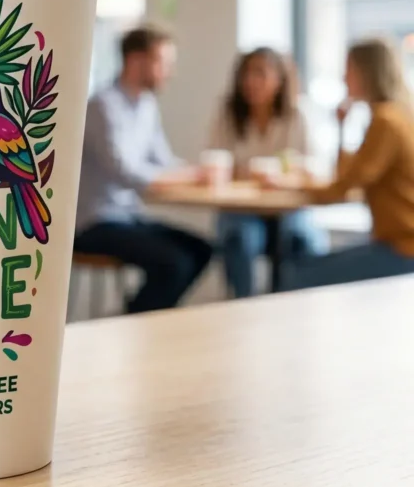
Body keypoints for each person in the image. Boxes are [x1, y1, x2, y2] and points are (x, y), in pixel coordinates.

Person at [75, 25, 213, 313]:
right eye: (164, 63)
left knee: (203, 249)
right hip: (95, 222)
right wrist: (187, 176)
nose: (170, 72)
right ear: (136, 61)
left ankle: (139, 316)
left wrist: (197, 172)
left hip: (128, 216)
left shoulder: (146, 104)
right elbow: (125, 172)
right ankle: (133, 323)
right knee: (173, 263)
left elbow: (161, 161)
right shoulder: (102, 106)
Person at [278, 38, 414, 291]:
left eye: (349, 69)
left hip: (403, 249)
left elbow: (342, 187)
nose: (343, 77)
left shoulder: (386, 122)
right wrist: (342, 128)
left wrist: (295, 186)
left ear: (368, 72)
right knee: (303, 256)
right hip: (397, 244)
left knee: (296, 275)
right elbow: (351, 176)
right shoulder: (399, 114)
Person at [207, 47, 325, 297]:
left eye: (260, 74)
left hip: (288, 210)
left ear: (279, 79)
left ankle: (287, 306)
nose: (251, 81)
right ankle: (242, 307)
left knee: (298, 239)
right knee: (239, 239)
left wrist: (280, 175)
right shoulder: (228, 114)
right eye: (246, 74)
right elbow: (215, 161)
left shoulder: (297, 115)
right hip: (242, 210)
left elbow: (314, 167)